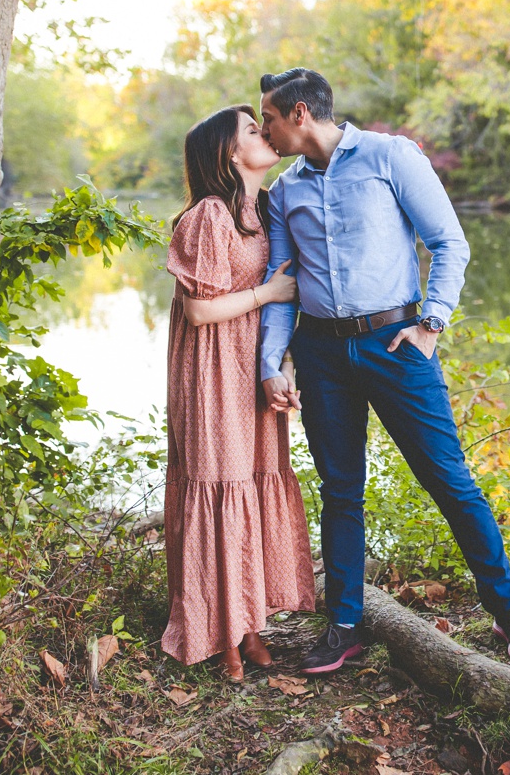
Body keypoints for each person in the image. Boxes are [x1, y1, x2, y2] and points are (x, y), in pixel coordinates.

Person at [255, 67, 510, 674]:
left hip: (396, 343)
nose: (266, 131)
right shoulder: (284, 192)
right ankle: (343, 623)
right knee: (341, 492)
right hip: (322, 355)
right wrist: (272, 363)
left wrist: (430, 325)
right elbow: (280, 287)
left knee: (449, 479)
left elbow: (450, 242)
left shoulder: (391, 157)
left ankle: (508, 609)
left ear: (301, 113)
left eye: (272, 118)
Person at [162, 105, 315, 681]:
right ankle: (220, 632)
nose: (265, 133)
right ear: (229, 153)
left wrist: (282, 365)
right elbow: (200, 309)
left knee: (252, 479)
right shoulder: (208, 215)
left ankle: (251, 623)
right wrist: (268, 293)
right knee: (220, 481)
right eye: (252, 130)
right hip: (210, 368)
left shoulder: (262, 208)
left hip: (251, 363)